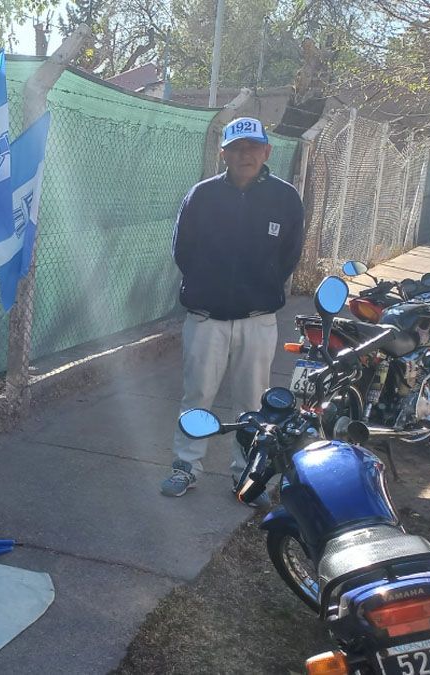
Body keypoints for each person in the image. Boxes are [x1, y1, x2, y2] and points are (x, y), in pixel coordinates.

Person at [160, 117, 305, 505]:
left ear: (266, 151)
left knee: (253, 404)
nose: (246, 155)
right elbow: (183, 251)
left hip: (258, 319)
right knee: (197, 395)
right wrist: (210, 288)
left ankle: (244, 476)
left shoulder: (285, 197)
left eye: (253, 147)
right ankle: (185, 467)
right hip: (206, 318)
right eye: (237, 148)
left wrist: (261, 286)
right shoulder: (202, 195)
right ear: (223, 153)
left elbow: (289, 254)